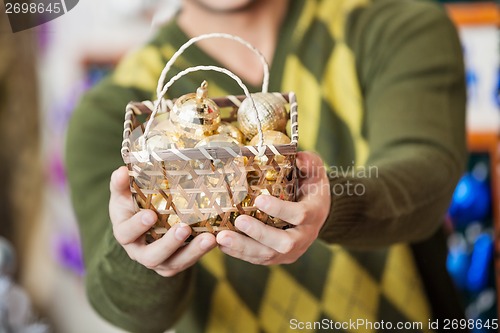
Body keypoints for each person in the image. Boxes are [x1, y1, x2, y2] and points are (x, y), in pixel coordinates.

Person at [65, 0, 468, 332]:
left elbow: (426, 171)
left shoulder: (391, 26)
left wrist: (332, 203)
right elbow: (121, 304)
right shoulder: (117, 110)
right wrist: (140, 252)